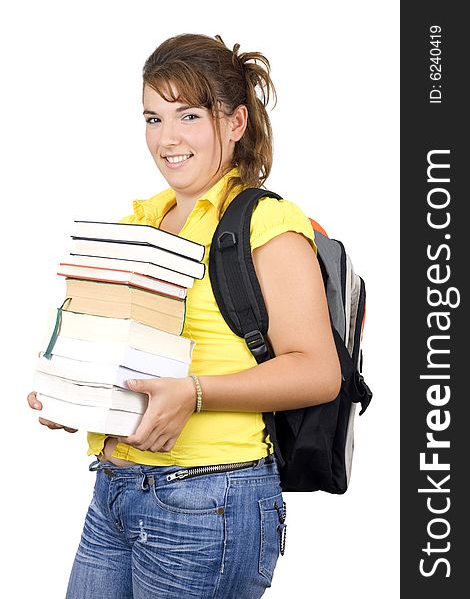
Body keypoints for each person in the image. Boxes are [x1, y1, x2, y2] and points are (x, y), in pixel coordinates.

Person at [27, 33, 341, 599]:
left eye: (189, 116)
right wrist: (75, 395)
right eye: (152, 118)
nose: (166, 139)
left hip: (209, 500)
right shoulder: (140, 224)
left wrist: (193, 393)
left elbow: (319, 371)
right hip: (114, 489)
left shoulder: (266, 225)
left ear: (236, 122)